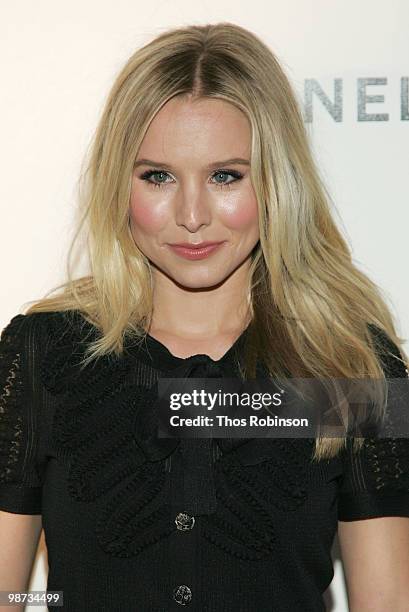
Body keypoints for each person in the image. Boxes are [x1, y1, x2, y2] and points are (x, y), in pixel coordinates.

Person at [0, 21, 408, 612]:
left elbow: (387, 604)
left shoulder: (351, 364)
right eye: (158, 176)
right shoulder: (42, 356)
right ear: (121, 183)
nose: (192, 215)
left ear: (275, 182)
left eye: (226, 176)